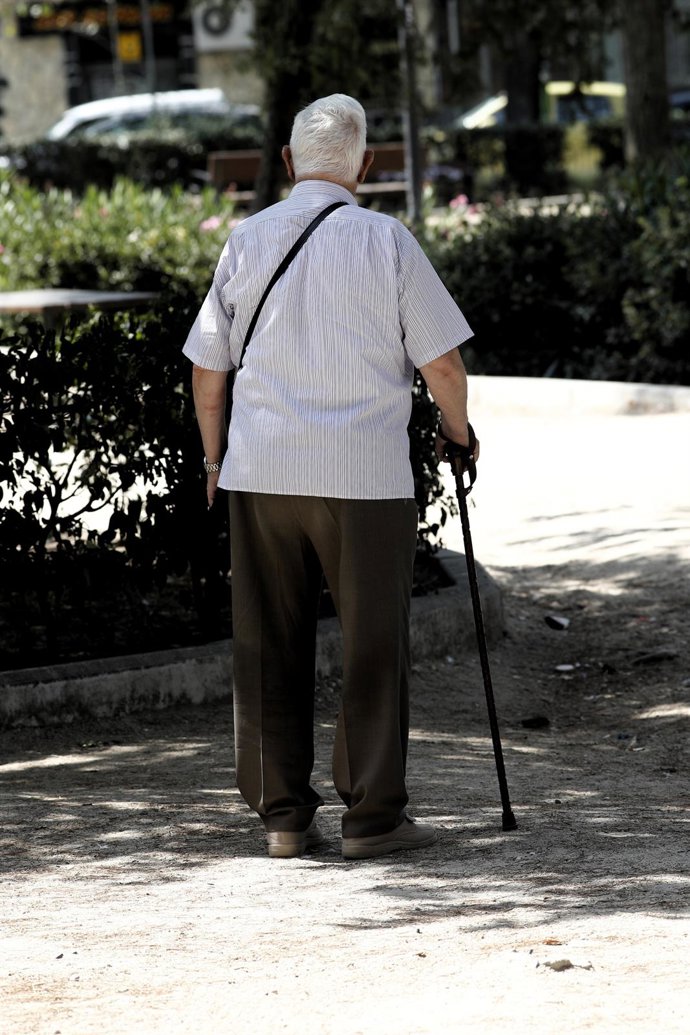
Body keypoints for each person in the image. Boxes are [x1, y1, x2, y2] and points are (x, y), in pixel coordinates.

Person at [183, 94, 477, 861]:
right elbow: (442, 361)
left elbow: (207, 370)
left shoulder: (246, 240)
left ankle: (283, 816)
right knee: (373, 640)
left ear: (287, 163)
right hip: (364, 476)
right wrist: (458, 433)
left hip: (261, 471)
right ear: (366, 167)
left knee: (266, 639)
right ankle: (373, 818)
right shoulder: (387, 239)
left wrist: (216, 461)